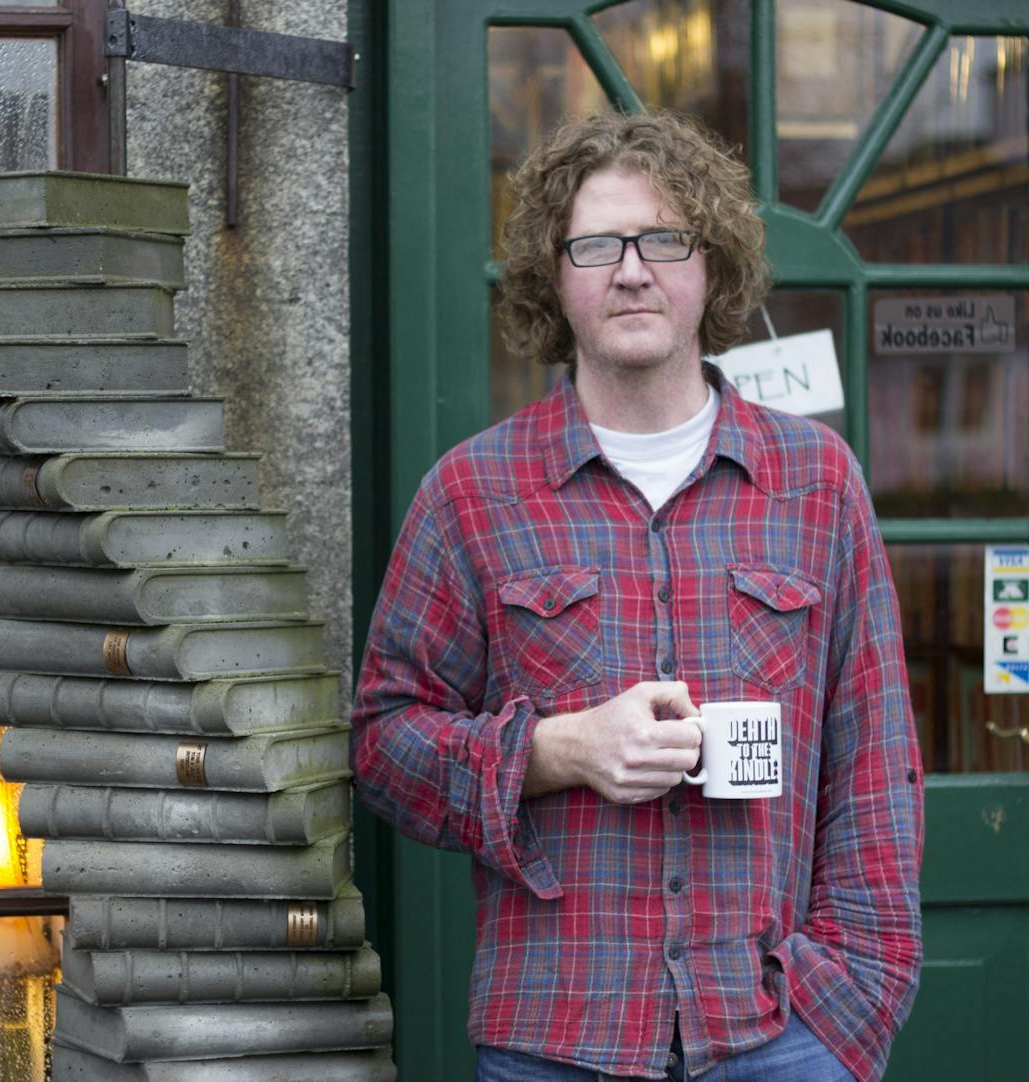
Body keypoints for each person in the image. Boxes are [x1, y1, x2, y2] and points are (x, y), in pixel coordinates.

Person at [350, 110, 923, 1082]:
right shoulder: (471, 491)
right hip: (553, 1035)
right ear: (551, 273)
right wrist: (551, 748)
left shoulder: (815, 480)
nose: (629, 269)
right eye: (593, 244)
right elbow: (380, 744)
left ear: (712, 265)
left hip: (777, 1031)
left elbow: (872, 764)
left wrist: (850, 1003)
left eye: (663, 238)